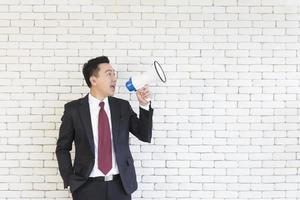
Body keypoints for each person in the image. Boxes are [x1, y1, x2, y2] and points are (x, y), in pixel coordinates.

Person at [55, 56, 153, 200]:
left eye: (114, 74)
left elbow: (144, 135)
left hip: (120, 187)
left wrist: (144, 105)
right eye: (109, 74)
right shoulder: (74, 110)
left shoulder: (122, 107)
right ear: (93, 80)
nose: (114, 78)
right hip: (86, 188)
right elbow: (62, 148)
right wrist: (70, 180)